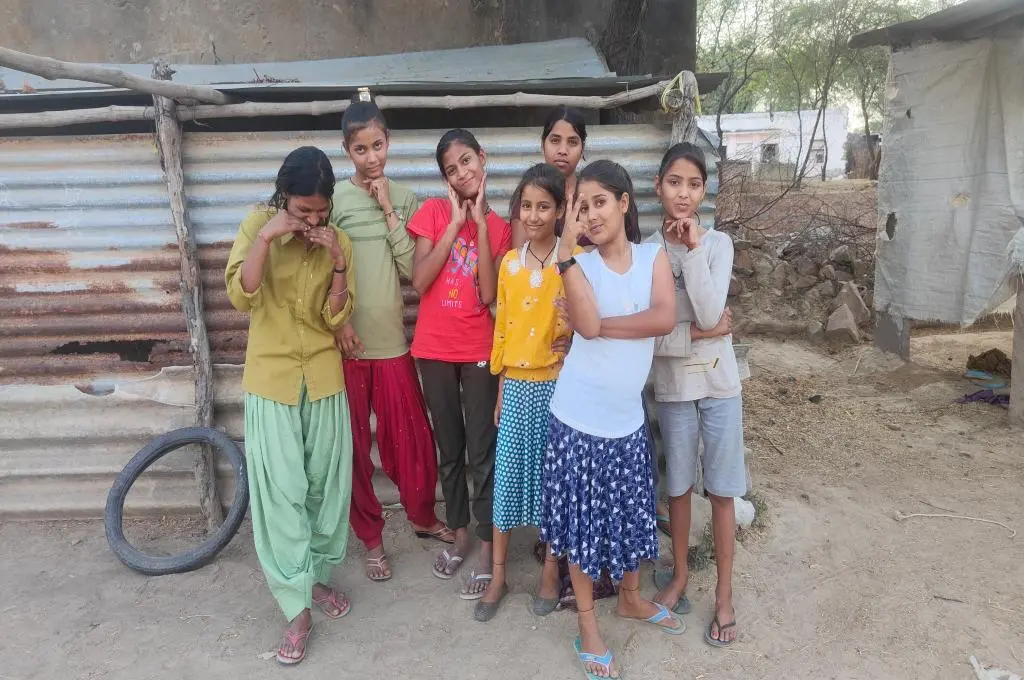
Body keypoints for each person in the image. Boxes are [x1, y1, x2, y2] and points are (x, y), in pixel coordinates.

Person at [542, 159, 683, 680]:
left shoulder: (653, 259)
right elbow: (583, 321)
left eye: (599, 201)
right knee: (581, 530)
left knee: (627, 519)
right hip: (577, 421)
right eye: (581, 207)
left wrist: (606, 326)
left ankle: (628, 598)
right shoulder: (580, 265)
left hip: (625, 423)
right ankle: (587, 625)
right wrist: (564, 251)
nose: (590, 214)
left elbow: (664, 318)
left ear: (624, 202)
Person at [224, 146, 356, 666]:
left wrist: (339, 262)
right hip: (273, 381)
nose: (313, 220)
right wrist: (268, 236)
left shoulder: (335, 240)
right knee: (282, 493)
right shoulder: (258, 225)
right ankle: (295, 606)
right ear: (284, 197)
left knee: (325, 489)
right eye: (303, 211)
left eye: (320, 212)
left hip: (322, 378)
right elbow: (242, 294)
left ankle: (316, 578)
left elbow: (336, 315)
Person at [331, 92, 452, 583]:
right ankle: (372, 540)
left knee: (412, 442)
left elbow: (412, 270)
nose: (372, 157)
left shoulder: (405, 199)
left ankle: (423, 517)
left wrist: (387, 212)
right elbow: (323, 268)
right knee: (357, 448)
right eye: (361, 150)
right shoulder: (334, 200)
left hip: (394, 345)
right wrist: (337, 322)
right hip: (347, 347)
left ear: (389, 143)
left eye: (378, 145)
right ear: (347, 151)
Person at [646, 142, 745, 648]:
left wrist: (691, 252)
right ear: (659, 187)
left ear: (703, 191)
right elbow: (654, 335)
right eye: (674, 183)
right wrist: (700, 333)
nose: (683, 194)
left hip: (720, 385)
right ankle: (681, 575)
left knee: (723, 490)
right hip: (675, 388)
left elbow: (708, 311)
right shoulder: (647, 251)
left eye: (693, 184)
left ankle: (725, 595)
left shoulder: (718, 244)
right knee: (679, 487)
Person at [407, 128, 512, 598]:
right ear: (445, 178)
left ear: (482, 158)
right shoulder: (431, 213)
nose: (462, 172)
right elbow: (420, 280)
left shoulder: (505, 227)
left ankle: (488, 548)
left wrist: (482, 224)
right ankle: (459, 532)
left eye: (467, 161)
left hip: (480, 352)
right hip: (433, 350)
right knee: (448, 450)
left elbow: (489, 295)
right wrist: (453, 224)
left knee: (482, 452)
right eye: (452, 168)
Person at [474, 163, 576, 622]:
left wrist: (573, 334)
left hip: (557, 385)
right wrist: (499, 391)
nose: (534, 216)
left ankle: (551, 574)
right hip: (515, 387)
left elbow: (581, 321)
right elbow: (501, 333)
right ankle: (498, 575)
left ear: (559, 211)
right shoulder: (509, 265)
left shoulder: (570, 263)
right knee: (508, 480)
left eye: (544, 206)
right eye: (527, 206)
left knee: (554, 483)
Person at [510, 106, 587, 248]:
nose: (563, 151)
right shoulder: (528, 195)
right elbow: (520, 261)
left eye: (572, 142)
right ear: (542, 144)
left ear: (582, 149)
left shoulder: (590, 196)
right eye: (555, 140)